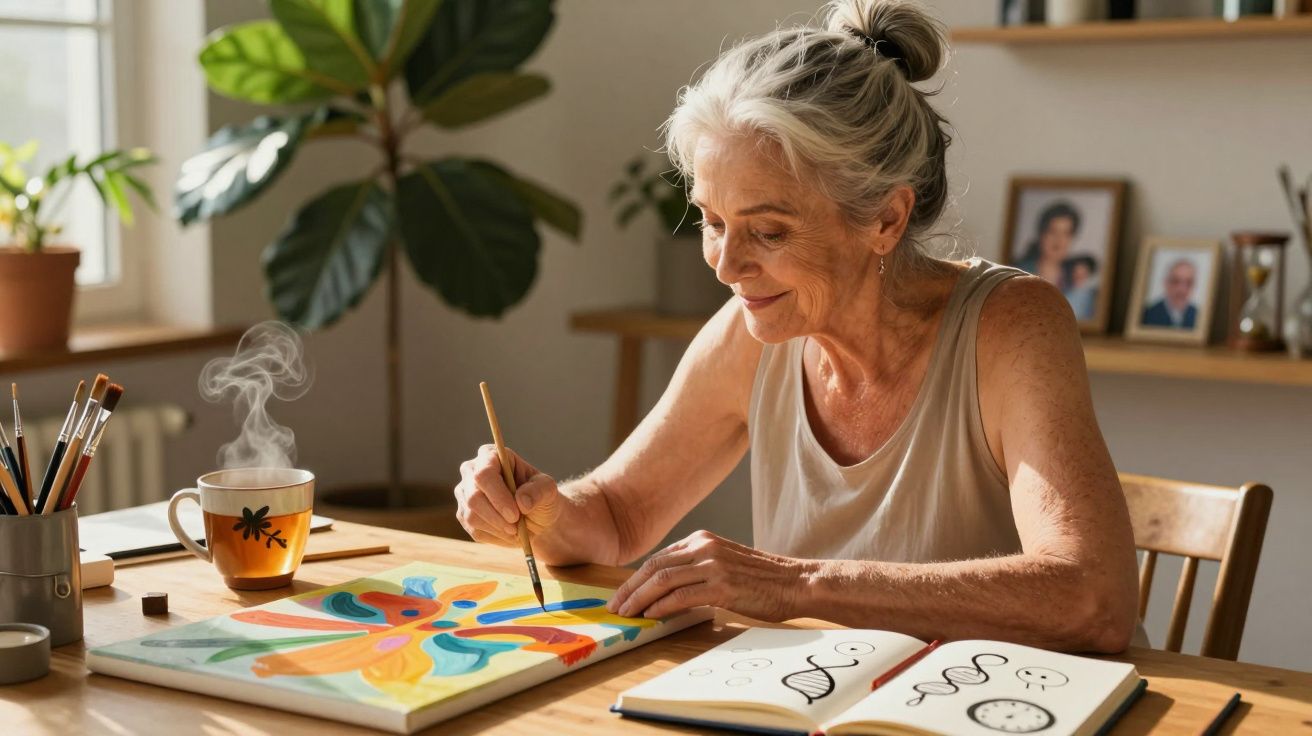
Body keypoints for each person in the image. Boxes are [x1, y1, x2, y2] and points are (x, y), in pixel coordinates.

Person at [456, 0, 1140, 653]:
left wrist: (796, 585)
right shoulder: (750, 334)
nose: (726, 265)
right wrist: (544, 513)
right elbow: (616, 515)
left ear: (886, 220)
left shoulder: (1012, 326)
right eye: (712, 221)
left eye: (769, 231)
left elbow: (1092, 598)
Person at [1013, 201, 1098, 321]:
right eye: (1052, 231)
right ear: (1041, 234)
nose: (1059, 240)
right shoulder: (1018, 274)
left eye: (1066, 234)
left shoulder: (1078, 283)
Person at [1141, 258, 1198, 329]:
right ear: (1166, 283)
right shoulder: (1146, 315)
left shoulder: (1198, 316)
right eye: (1175, 281)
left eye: (1189, 283)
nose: (1182, 289)